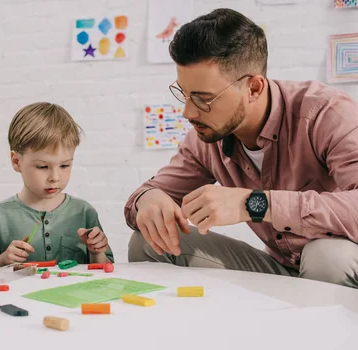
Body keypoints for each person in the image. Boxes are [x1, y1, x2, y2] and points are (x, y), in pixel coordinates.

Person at [125, 8, 358, 288]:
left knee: (326, 256)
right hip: (278, 267)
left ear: (254, 88)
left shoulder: (326, 113)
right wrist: (147, 200)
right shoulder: (206, 136)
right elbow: (145, 197)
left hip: (339, 263)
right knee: (148, 241)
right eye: (184, 94)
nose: (188, 112)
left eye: (203, 98)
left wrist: (252, 203)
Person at [0, 102, 114, 268]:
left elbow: (106, 269)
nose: (55, 177)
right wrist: (3, 260)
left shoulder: (84, 212)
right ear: (16, 161)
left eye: (64, 166)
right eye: (42, 167)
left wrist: (97, 252)